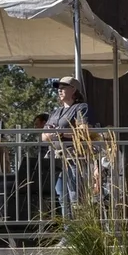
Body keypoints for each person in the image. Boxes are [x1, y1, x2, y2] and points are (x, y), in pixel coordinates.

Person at [42, 76, 91, 218]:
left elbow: (83, 131)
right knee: (62, 197)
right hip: (56, 158)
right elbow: (44, 136)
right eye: (59, 88)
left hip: (73, 157)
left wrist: (59, 133)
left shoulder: (81, 108)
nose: (60, 90)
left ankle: (79, 230)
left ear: (73, 89)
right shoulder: (56, 112)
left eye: (63, 87)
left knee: (75, 195)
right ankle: (68, 234)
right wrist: (61, 133)